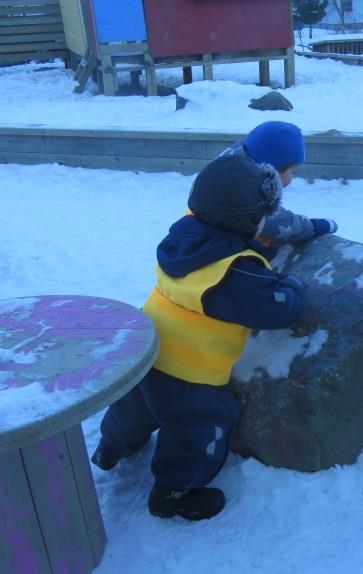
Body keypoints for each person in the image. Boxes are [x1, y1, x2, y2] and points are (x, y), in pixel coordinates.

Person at [91, 153, 310, 521]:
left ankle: (112, 447)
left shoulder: (183, 234)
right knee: (202, 424)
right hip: (190, 374)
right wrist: (293, 284)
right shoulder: (236, 271)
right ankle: (173, 492)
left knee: (134, 406)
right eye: (261, 216)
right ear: (246, 220)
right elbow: (279, 308)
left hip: (147, 349)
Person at [220, 120, 338, 246]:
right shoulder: (247, 195)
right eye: (292, 171)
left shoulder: (224, 168)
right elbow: (280, 223)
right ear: (273, 171)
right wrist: (314, 226)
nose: (293, 176)